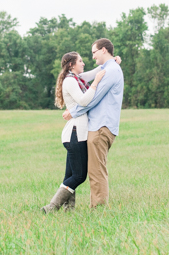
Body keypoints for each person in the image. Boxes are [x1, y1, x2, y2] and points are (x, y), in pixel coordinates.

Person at [41, 51, 121, 213]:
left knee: (70, 175)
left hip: (78, 132)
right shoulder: (71, 81)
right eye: (80, 61)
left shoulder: (77, 78)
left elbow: (95, 71)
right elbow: (84, 101)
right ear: (71, 65)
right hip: (75, 133)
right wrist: (95, 83)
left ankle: (68, 210)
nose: (84, 63)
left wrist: (112, 61)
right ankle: (51, 207)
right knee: (79, 176)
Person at [63, 38, 124, 208]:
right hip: (100, 126)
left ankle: (98, 210)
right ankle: (90, 207)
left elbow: (94, 99)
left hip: (100, 127)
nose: (92, 56)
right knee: (95, 170)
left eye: (94, 52)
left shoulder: (111, 71)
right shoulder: (109, 68)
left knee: (96, 172)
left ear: (104, 50)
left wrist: (72, 112)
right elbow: (82, 76)